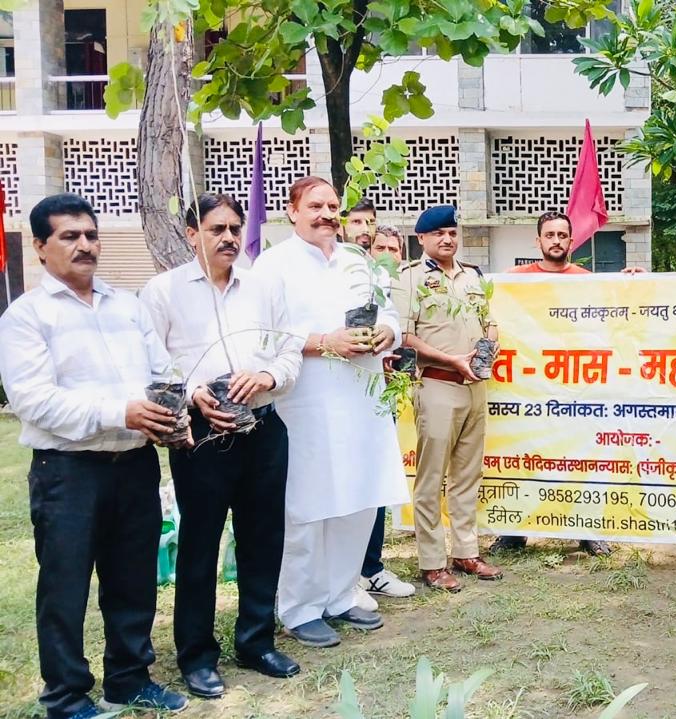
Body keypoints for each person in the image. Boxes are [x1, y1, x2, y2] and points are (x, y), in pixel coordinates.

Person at [0, 193, 190, 718]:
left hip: (133, 466)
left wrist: (168, 413)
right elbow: (32, 401)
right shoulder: (27, 317)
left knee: (132, 580)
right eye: (69, 236)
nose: (85, 246)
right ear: (40, 247)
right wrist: (119, 412)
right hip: (68, 472)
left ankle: (129, 679)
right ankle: (65, 695)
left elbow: (162, 372)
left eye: (90, 235)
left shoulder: (127, 306)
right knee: (64, 588)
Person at [139, 192, 304, 698]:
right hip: (201, 436)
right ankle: (196, 655)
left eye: (235, 228)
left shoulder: (264, 285)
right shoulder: (163, 291)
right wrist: (191, 395)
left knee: (262, 539)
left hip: (264, 427)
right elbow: (151, 363)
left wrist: (268, 376)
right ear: (193, 235)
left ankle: (256, 642)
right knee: (200, 545)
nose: (230, 237)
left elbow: (290, 347)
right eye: (217, 229)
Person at [251, 177, 409, 648]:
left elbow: (391, 317)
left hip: (362, 400)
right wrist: (323, 342)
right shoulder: (271, 266)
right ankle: (299, 607)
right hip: (306, 403)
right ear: (291, 210)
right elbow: (262, 333)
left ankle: (341, 595)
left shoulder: (358, 261)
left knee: (359, 499)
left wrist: (386, 334)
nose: (325, 214)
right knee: (308, 506)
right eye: (315, 205)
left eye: (332, 206)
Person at [491, 211, 615, 556]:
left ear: (571, 241)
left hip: (575, 386)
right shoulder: (514, 279)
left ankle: (589, 531)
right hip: (527, 386)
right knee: (522, 455)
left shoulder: (586, 280)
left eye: (563, 235)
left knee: (582, 456)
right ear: (538, 241)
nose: (557, 241)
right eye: (550, 235)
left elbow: (615, 311)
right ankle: (513, 532)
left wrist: (632, 281)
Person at [399, 205, 504, 592]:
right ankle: (431, 562)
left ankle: (466, 551)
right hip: (438, 385)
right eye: (438, 233)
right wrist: (450, 360)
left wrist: (490, 344)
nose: (447, 239)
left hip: (475, 387)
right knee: (431, 478)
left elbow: (488, 322)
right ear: (422, 239)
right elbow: (404, 338)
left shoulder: (473, 275)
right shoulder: (409, 278)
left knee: (467, 475)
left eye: (452, 232)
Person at [353, 223, 418, 607]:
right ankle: (349, 574)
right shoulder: (353, 284)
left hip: (387, 396)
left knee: (379, 480)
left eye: (395, 248)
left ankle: (371, 567)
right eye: (380, 246)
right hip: (352, 396)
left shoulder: (406, 286)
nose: (388, 254)